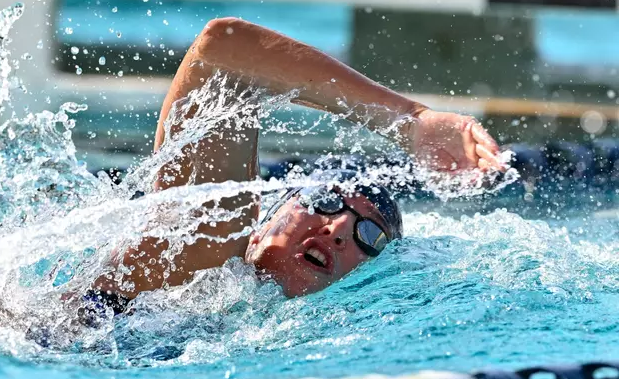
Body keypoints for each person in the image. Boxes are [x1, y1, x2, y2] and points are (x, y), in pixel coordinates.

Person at [81, 17, 504, 316]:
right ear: (268, 218)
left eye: (369, 233)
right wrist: (410, 121)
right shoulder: (204, 249)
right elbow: (222, 50)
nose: (338, 229)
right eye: (323, 201)